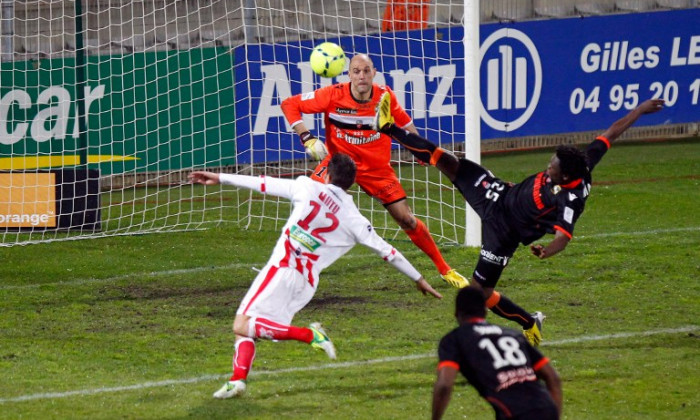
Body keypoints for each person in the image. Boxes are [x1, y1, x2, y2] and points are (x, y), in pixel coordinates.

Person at [374, 93, 665, 346]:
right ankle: (388, 127)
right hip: (499, 194)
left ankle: (527, 322)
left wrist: (546, 251)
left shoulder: (570, 199)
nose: (546, 165)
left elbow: (563, 237)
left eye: (551, 167)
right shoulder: (582, 162)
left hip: (503, 233)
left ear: (564, 177)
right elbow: (612, 132)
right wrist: (640, 110)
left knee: (478, 295)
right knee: (447, 160)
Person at [189, 153, 443, 399]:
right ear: (352, 182)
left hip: (283, 267)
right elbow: (388, 252)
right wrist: (419, 279)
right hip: (306, 282)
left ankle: (310, 335)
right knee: (247, 330)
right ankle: (237, 381)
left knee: (241, 324)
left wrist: (219, 177)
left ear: (328, 174)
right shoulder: (355, 218)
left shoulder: (306, 187)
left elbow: (263, 183)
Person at [280, 53, 468, 289]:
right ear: (349, 74)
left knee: (406, 218)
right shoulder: (332, 94)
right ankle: (288, 268)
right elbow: (289, 104)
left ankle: (445, 269)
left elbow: (405, 123)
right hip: (338, 164)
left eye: (366, 71)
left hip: (377, 170)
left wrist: (421, 150)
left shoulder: (384, 96)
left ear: (374, 73)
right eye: (356, 71)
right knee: (308, 206)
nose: (361, 76)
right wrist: (306, 137)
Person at [433, 285, 563, 420]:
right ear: (485, 311)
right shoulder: (513, 334)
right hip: (546, 407)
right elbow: (552, 377)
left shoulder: (455, 339)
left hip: (514, 414)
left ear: (456, 313)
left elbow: (445, 385)